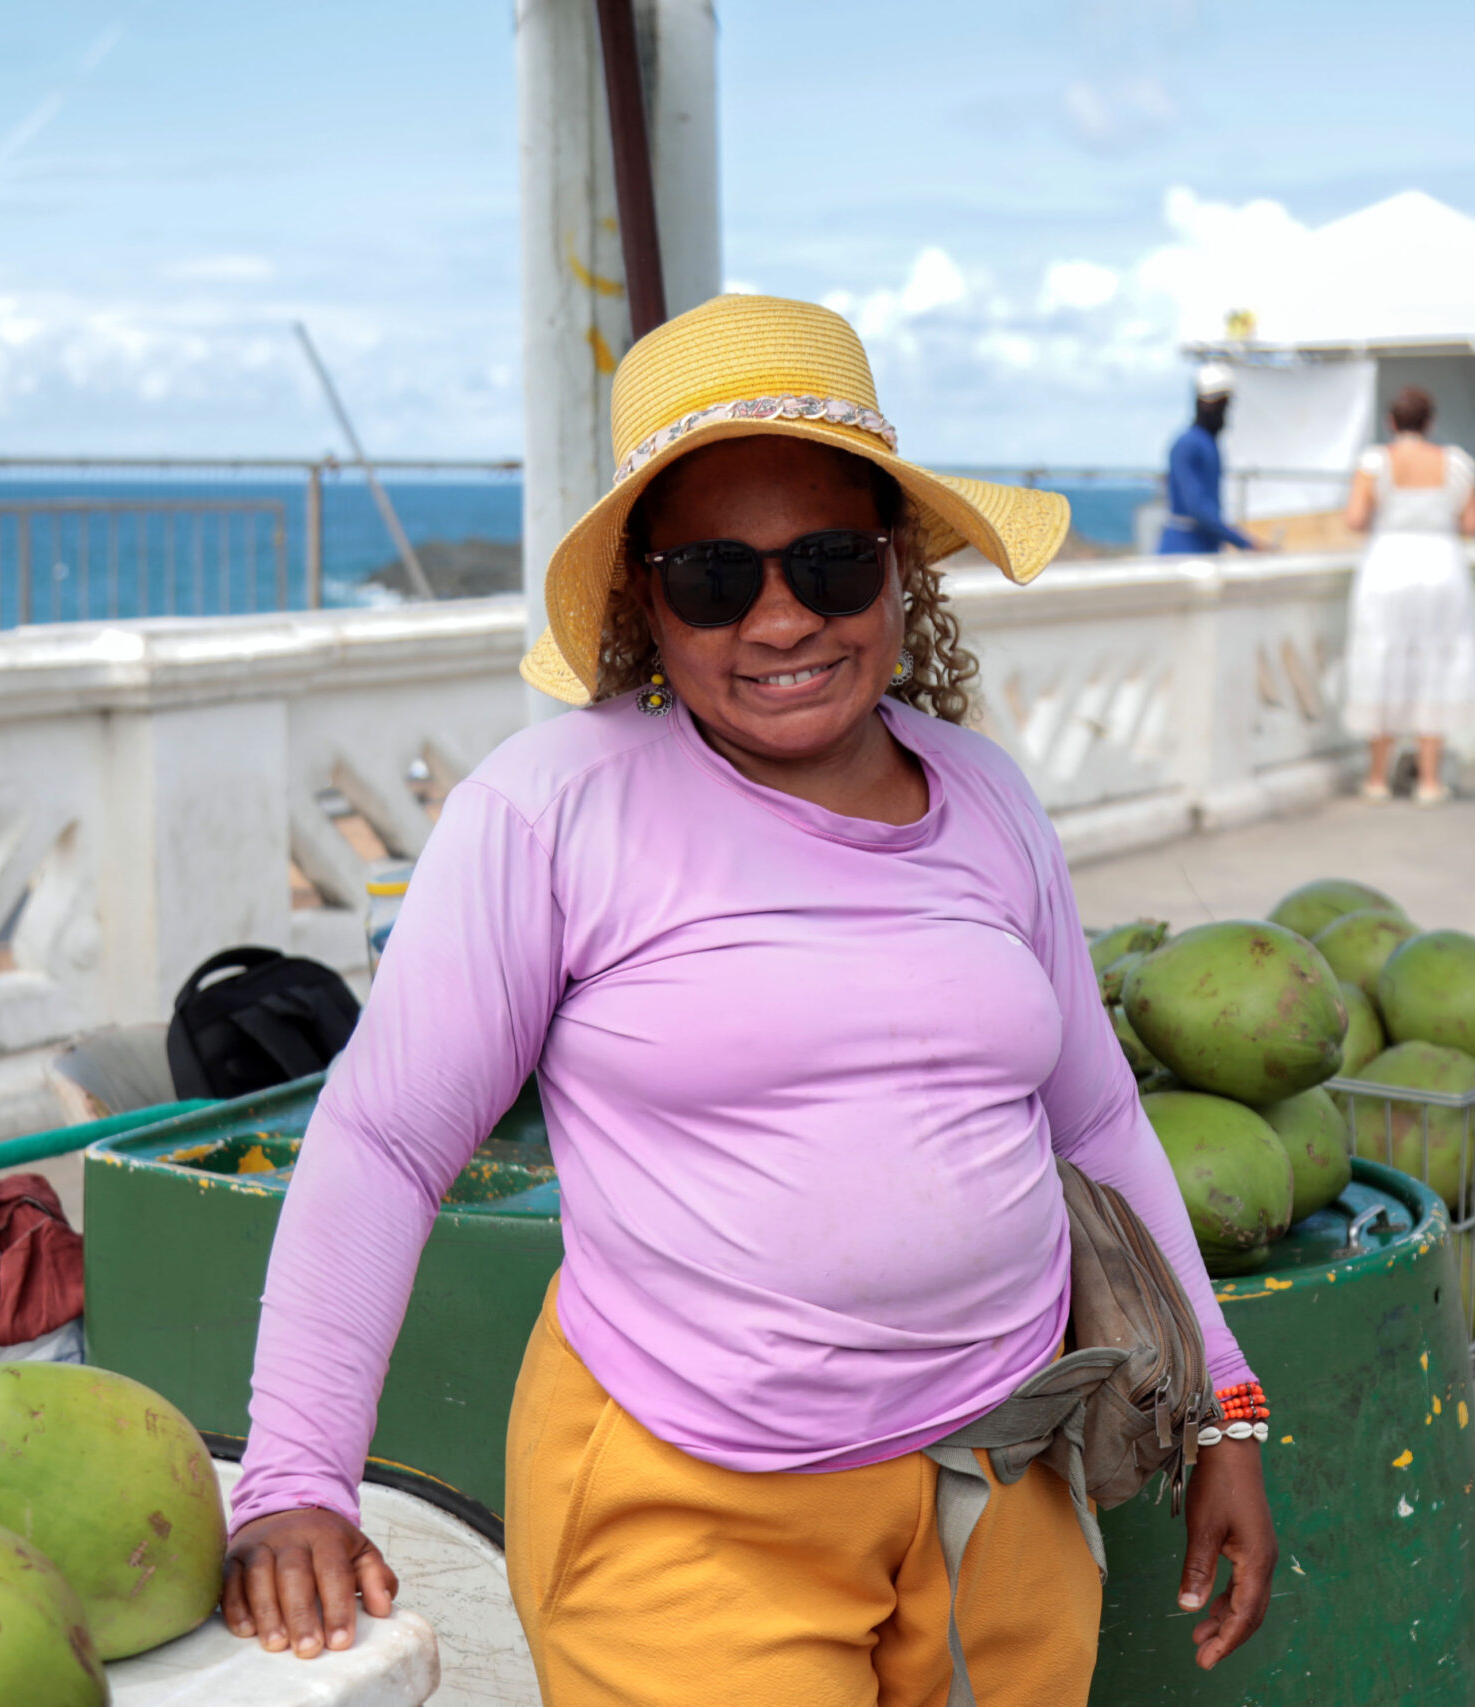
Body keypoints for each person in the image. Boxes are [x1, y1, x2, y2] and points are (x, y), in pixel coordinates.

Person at [219, 294, 1275, 1707]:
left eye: (832, 562)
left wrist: (1227, 1403)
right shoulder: (554, 810)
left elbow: (1092, 1117)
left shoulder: (988, 794)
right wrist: (293, 1476)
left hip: (1003, 1483)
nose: (781, 617)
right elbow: (385, 1143)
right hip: (691, 1512)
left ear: (903, 575)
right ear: (644, 600)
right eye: (716, 576)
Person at [1339, 385, 1475, 804]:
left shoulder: (1375, 461)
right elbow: (1473, 524)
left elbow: (1354, 518)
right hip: (1442, 565)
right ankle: (1428, 780)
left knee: (1382, 659)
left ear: (1392, 421)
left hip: (1388, 563)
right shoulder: (1458, 463)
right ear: (1430, 422)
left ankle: (1376, 777)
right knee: (1436, 664)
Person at [1157, 364, 1262, 555]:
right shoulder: (1189, 444)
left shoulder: (1204, 443)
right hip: (1184, 551)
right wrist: (1246, 543)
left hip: (1203, 549)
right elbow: (1199, 509)